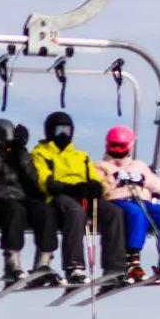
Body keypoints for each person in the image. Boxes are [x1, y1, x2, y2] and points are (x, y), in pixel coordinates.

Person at [27, 110, 109, 284]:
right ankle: (74, 266)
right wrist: (71, 189)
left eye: (66, 130)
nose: (63, 135)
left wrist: (94, 188)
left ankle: (115, 265)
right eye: (59, 131)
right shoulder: (41, 153)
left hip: (82, 195)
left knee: (114, 212)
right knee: (75, 211)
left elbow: (94, 179)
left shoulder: (81, 156)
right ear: (49, 132)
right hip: (58, 197)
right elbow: (45, 182)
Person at [99, 125, 160, 282]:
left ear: (130, 146)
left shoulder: (139, 166)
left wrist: (142, 179)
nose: (117, 150)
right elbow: (100, 189)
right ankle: (132, 259)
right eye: (113, 146)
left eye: (121, 146)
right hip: (118, 202)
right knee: (136, 214)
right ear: (107, 145)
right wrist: (114, 179)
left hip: (142, 201)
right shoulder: (100, 166)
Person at [0, 117, 45, 281]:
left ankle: (43, 263)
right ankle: (12, 262)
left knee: (42, 210)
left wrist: (21, 152)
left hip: (21, 197)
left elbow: (32, 177)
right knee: (15, 211)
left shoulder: (18, 154)